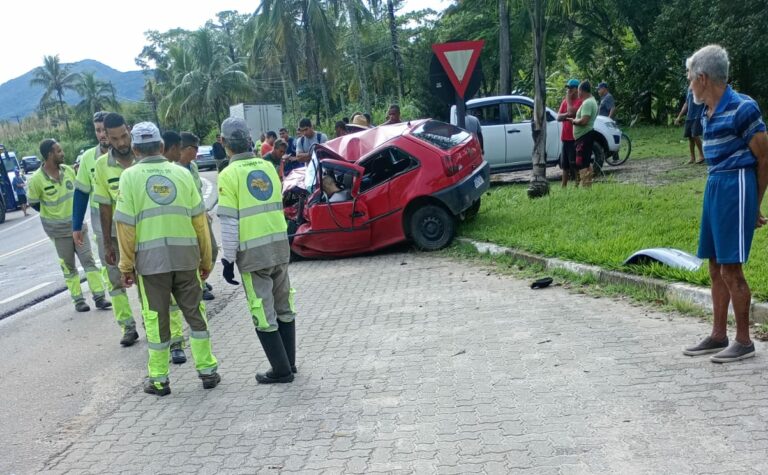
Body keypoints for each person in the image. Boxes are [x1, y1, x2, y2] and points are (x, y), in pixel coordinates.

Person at [115, 122, 219, 396]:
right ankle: (207, 371)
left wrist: (125, 265)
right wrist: (206, 260)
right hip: (186, 258)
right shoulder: (182, 174)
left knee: (155, 319)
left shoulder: (129, 177)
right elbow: (201, 223)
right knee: (196, 315)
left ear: (135, 149)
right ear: (161, 146)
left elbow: (125, 228)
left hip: (151, 266)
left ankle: (159, 380)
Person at [682, 45, 768, 363]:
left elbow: (765, 157)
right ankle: (719, 335)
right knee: (715, 265)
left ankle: (744, 341)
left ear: (703, 78)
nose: (689, 84)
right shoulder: (706, 112)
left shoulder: (743, 108)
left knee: (732, 268)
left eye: (691, 79)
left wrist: (754, 205)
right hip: (715, 184)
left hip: (737, 185)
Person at [217, 117, 297, 384]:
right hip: (279, 247)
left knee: (262, 311)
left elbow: (229, 222)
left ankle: (281, 370)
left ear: (224, 143)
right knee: (284, 305)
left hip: (253, 255)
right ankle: (290, 363)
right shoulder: (267, 166)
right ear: (250, 141)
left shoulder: (228, 175)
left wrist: (228, 260)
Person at [27, 139, 109, 313]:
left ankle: (99, 296)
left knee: (89, 261)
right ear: (49, 155)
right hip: (58, 231)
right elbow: (34, 203)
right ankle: (78, 300)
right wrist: (53, 214)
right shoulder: (36, 180)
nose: (62, 153)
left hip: (77, 227)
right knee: (69, 266)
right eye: (58, 151)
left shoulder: (69, 171)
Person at [92, 113, 141, 346]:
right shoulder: (101, 166)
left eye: (124, 136)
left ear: (129, 130)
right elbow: (104, 206)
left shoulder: (143, 157)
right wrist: (107, 243)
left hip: (144, 235)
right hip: (115, 235)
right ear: (107, 139)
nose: (122, 143)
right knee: (115, 282)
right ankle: (128, 327)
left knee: (148, 283)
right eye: (115, 138)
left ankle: (155, 328)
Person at [568, 80, 599, 188]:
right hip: (585, 136)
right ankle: (588, 186)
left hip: (584, 136)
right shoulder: (591, 101)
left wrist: (574, 121)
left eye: (579, 91)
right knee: (586, 162)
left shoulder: (587, 103)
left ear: (582, 91)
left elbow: (584, 120)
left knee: (581, 163)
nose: (578, 93)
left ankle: (585, 187)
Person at [557, 79, 583, 187]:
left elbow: (573, 112)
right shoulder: (565, 102)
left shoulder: (580, 102)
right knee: (565, 165)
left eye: (570, 88)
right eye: (568, 88)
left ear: (577, 90)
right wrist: (567, 114)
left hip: (574, 138)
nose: (568, 91)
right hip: (565, 138)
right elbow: (558, 117)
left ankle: (577, 185)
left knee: (575, 164)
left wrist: (567, 112)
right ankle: (564, 187)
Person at [675, 82, 706, 164]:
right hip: (690, 116)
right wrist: (679, 116)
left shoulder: (701, 85)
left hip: (698, 115)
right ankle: (692, 157)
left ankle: (702, 155)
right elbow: (686, 103)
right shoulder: (689, 88)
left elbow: (706, 99)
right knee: (690, 137)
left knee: (695, 135)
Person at [296, 118, 328, 192]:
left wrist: (306, 156)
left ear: (311, 127)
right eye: (302, 130)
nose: (304, 133)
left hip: (323, 172)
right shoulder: (300, 141)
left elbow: (326, 155)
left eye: (306, 129)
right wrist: (315, 155)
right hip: (309, 174)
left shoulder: (322, 137)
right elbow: (298, 158)